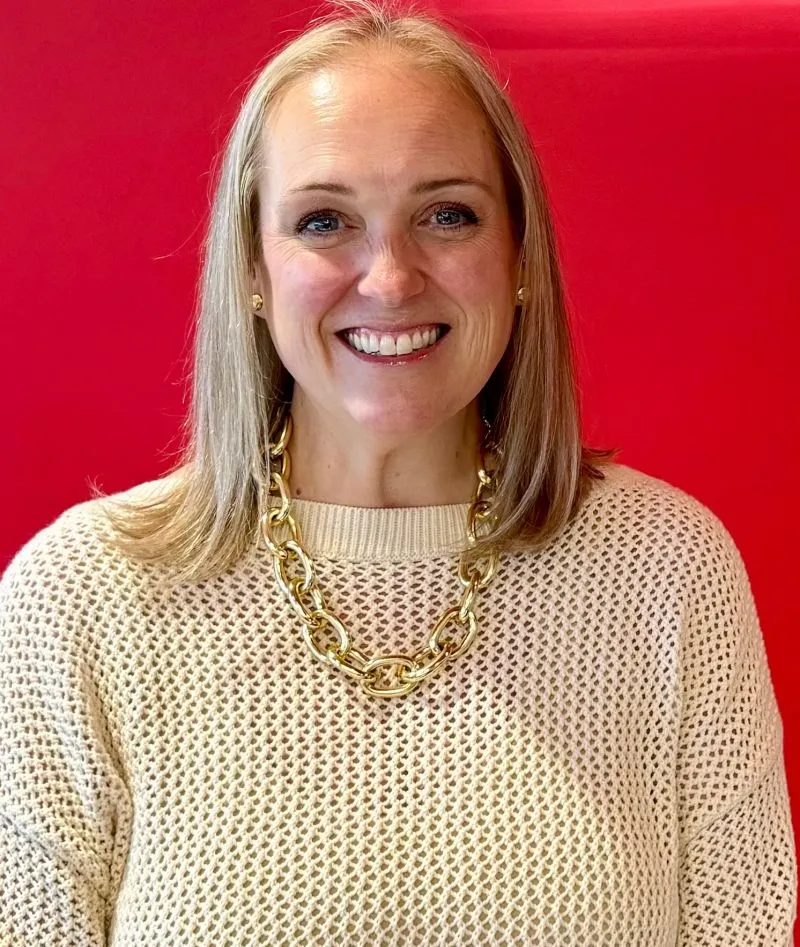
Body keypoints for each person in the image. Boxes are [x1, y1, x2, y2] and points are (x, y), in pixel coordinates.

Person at [1, 0, 796, 943]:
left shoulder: (669, 574)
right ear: (253, 268)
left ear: (520, 255)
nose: (388, 278)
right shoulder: (80, 600)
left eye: (447, 214)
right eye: (325, 219)